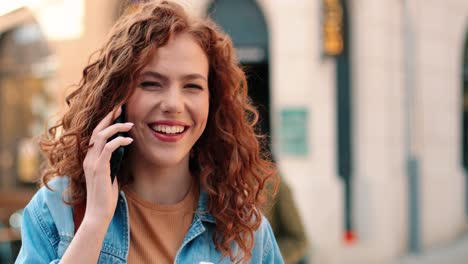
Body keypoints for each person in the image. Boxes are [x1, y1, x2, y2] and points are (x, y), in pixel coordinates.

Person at [15, 1, 282, 263]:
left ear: (213, 102)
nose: (173, 105)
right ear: (117, 97)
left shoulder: (246, 231)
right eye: (152, 83)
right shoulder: (56, 209)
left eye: (192, 86)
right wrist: (94, 223)